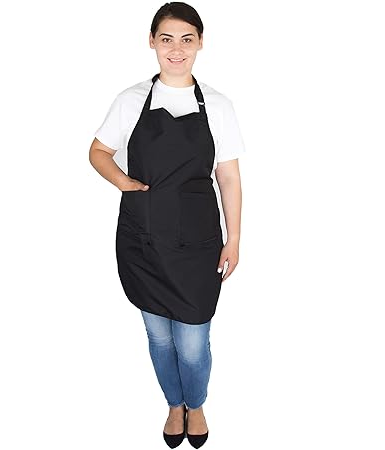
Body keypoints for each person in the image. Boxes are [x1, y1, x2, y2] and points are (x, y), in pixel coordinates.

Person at [89, 2, 245, 448]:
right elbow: (98, 151)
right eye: (166, 39)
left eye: (186, 39)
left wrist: (234, 238)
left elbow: (228, 176)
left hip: (198, 244)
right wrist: (123, 181)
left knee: (193, 343)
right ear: (152, 42)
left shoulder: (218, 105)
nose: (176, 49)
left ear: (200, 43)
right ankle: (174, 405)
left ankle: (196, 403)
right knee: (159, 338)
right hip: (143, 239)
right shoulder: (131, 99)